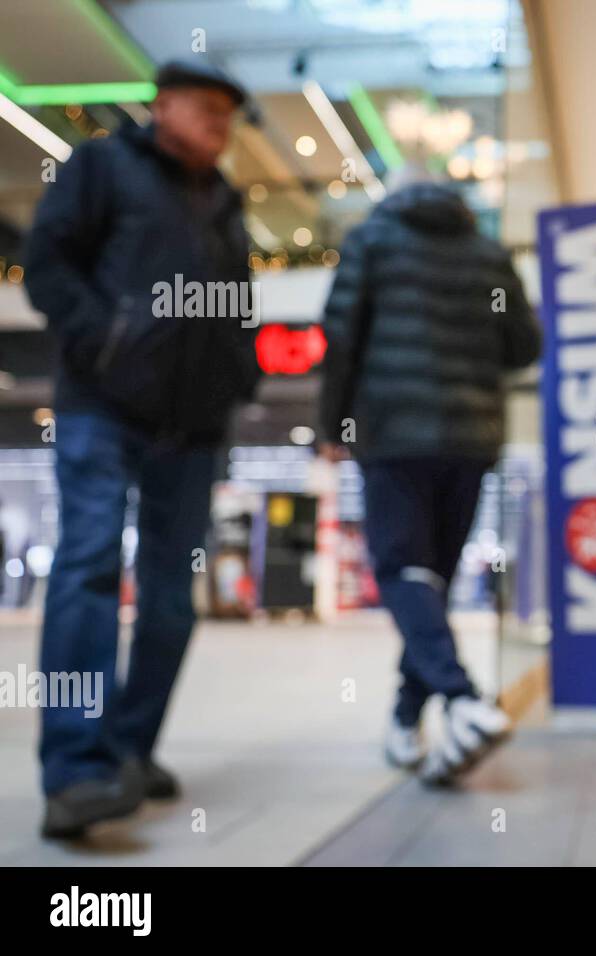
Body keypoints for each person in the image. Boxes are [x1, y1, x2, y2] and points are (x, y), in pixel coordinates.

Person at [23, 60, 259, 839]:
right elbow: (48, 264)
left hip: (193, 423)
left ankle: (127, 747)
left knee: (168, 596)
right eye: (206, 108)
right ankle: (76, 769)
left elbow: (235, 300)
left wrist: (239, 369)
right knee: (89, 565)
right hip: (102, 405)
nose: (220, 125)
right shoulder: (103, 166)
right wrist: (102, 341)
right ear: (162, 105)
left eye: (229, 114)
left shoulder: (224, 200)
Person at [317, 170, 540, 786]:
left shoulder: (374, 241)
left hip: (392, 434)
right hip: (471, 438)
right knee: (429, 581)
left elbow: (341, 335)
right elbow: (523, 345)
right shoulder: (488, 253)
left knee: (400, 569)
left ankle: (462, 699)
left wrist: (332, 426)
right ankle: (405, 720)